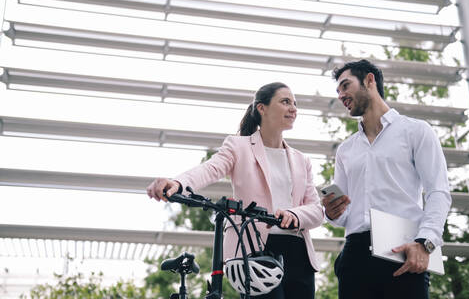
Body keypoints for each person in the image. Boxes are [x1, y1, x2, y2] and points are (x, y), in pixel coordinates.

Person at [147, 82, 324, 299]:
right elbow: (210, 169)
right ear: (262, 108)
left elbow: (316, 211)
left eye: (295, 103)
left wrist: (294, 214)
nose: (293, 108)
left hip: (299, 253)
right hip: (256, 248)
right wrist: (179, 183)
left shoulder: (301, 160)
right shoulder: (238, 146)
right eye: (285, 101)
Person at [323, 59, 452, 299]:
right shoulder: (345, 150)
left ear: (369, 80)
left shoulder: (416, 131)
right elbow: (345, 215)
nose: (341, 95)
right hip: (355, 255)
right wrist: (333, 212)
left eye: (345, 85)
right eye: (338, 90)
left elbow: (438, 192)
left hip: (404, 251)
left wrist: (426, 243)